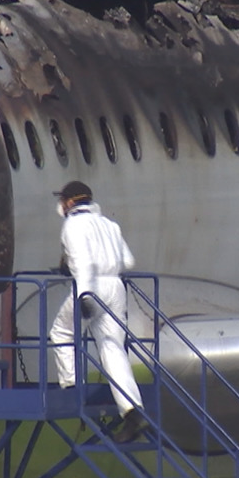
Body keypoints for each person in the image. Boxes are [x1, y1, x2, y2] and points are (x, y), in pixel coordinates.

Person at [48, 181, 147, 443]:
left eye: (63, 201)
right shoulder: (109, 225)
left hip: (92, 286)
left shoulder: (72, 225)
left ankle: (70, 386)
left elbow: (83, 263)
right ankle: (132, 411)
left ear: (69, 202)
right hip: (116, 287)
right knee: (112, 348)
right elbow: (128, 261)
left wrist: (84, 295)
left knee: (61, 331)